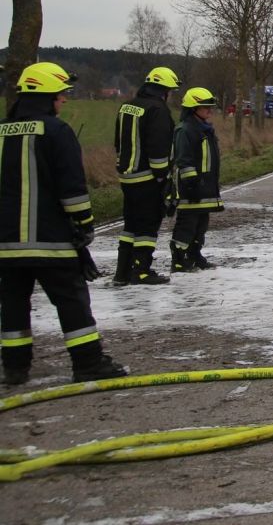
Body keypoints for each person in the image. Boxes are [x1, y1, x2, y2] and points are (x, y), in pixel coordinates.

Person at [1, 62, 127, 385]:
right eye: (60, 95)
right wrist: (84, 225)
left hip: (6, 245)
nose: (64, 101)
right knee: (71, 300)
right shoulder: (56, 132)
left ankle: (15, 367)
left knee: (13, 303)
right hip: (50, 240)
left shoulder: (1, 132)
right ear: (45, 96)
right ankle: (88, 362)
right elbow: (72, 189)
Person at [113, 66, 178, 285]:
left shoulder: (127, 107)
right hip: (148, 178)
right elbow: (159, 146)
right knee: (148, 225)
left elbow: (118, 141)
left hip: (127, 177)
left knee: (130, 225)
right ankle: (141, 270)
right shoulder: (157, 110)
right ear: (163, 90)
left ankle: (121, 272)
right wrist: (163, 176)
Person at [168, 88, 224, 273]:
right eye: (206, 107)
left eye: (211, 107)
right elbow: (184, 159)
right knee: (187, 225)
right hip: (191, 188)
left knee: (201, 224)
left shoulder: (203, 128)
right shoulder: (186, 130)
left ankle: (194, 255)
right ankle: (179, 259)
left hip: (204, 186)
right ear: (193, 108)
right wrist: (192, 183)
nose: (210, 110)